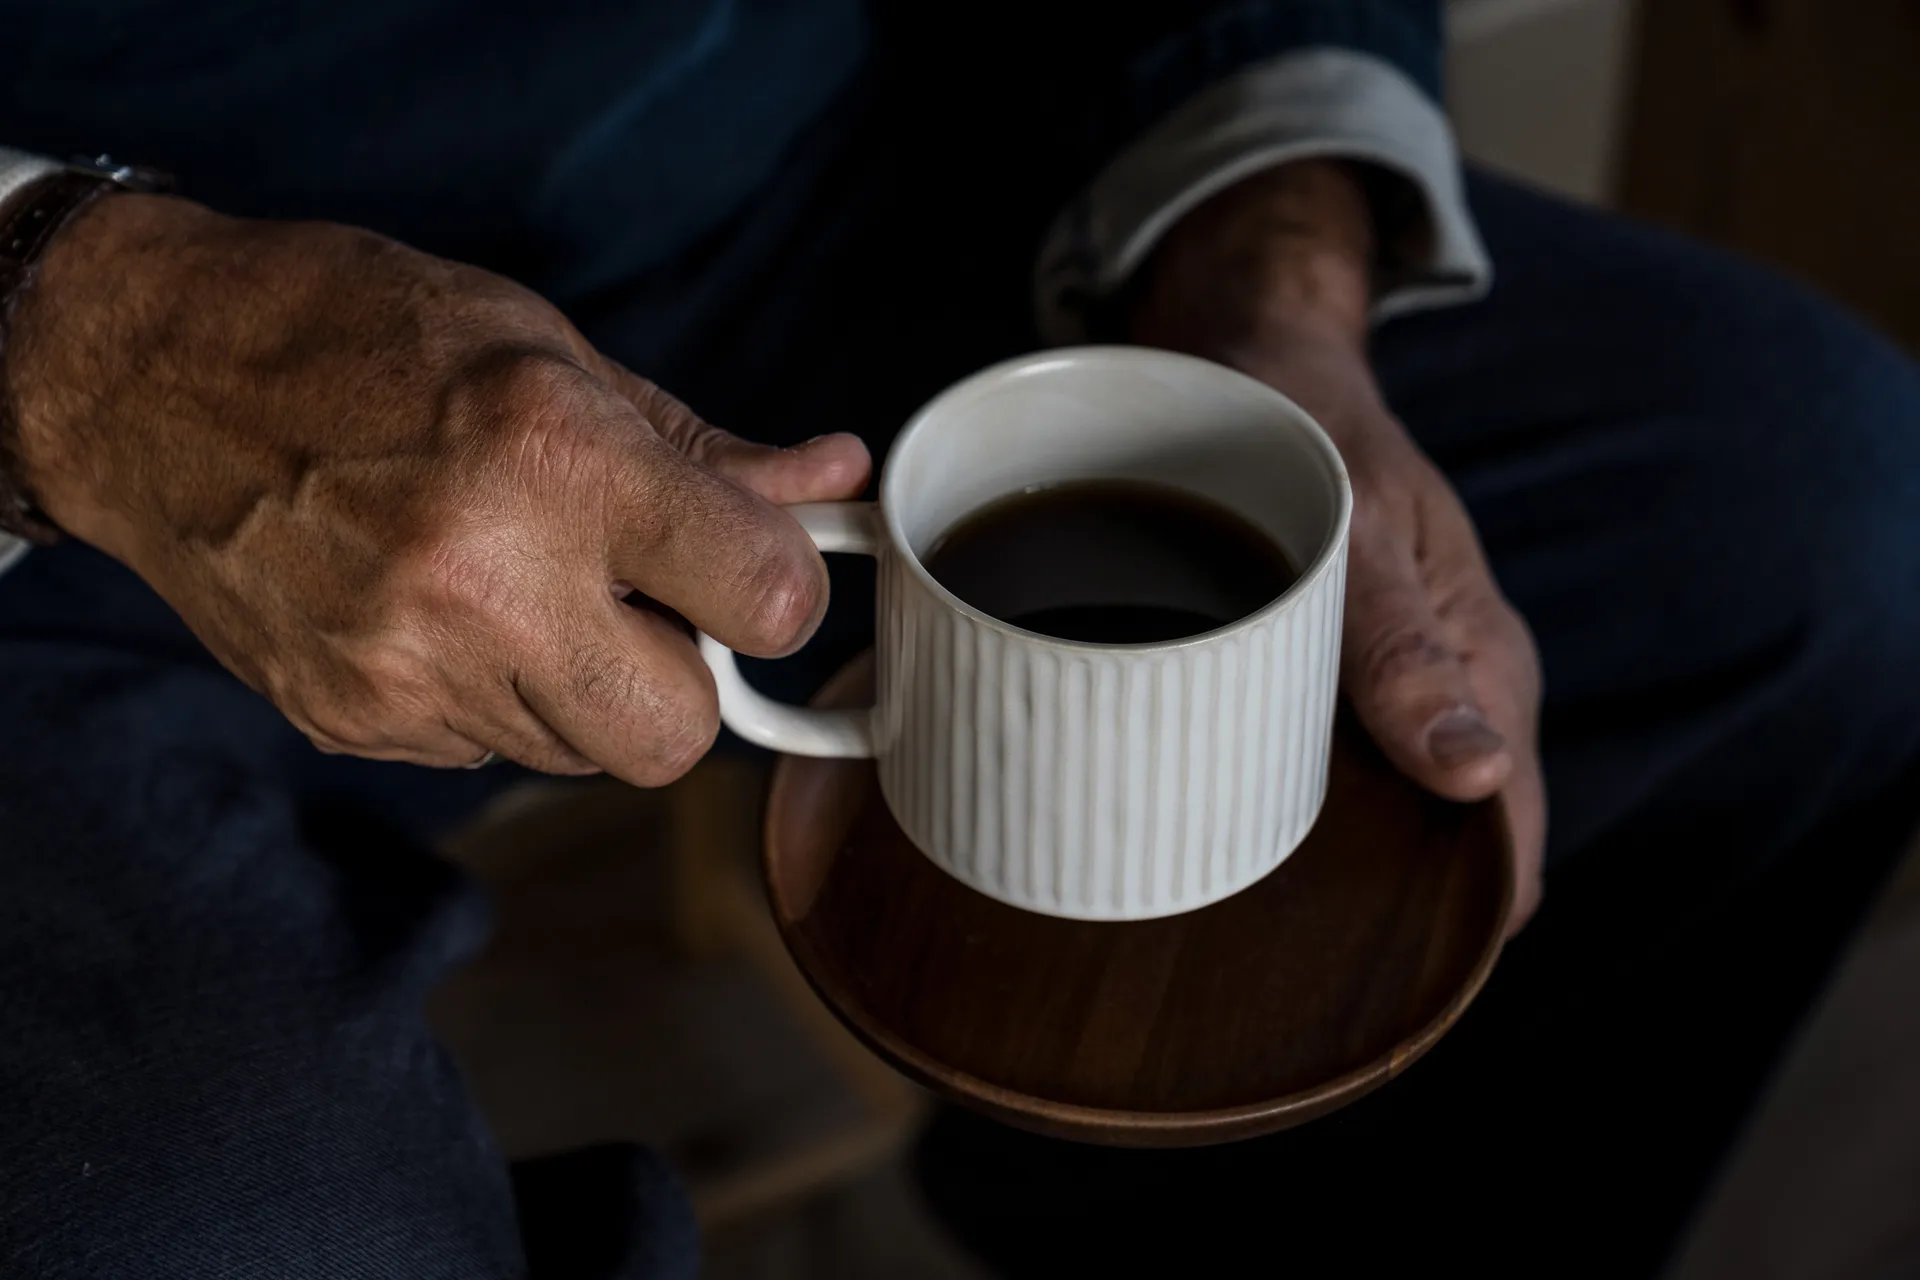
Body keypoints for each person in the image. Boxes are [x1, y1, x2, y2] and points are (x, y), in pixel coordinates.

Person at [0, 2, 1914, 1276]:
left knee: (1824, 528)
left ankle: (1122, 1216)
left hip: (837, 161)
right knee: (231, 1221)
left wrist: (1275, 271)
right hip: (104, 378)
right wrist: (83, 349)